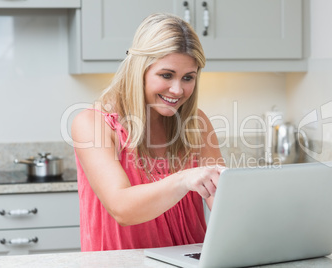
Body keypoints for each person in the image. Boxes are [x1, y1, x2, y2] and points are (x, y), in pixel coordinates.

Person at [71, 13, 225, 251]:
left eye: (188, 78)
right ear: (138, 69)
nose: (177, 89)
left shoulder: (195, 123)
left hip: (189, 260)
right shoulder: (92, 124)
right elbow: (122, 208)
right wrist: (184, 179)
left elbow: (223, 203)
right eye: (166, 75)